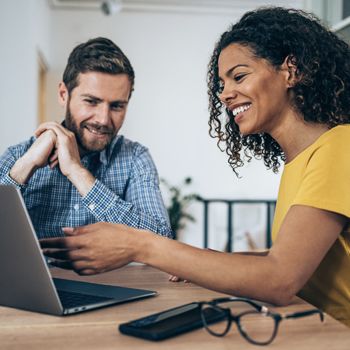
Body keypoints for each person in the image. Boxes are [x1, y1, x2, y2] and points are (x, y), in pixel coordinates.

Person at [40, 8, 350, 326]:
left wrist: (139, 245)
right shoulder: (303, 159)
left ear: (291, 70)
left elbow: (280, 279)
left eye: (239, 76)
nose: (226, 94)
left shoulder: (340, 148)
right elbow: (292, 262)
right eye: (221, 83)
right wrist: (193, 263)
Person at [0, 37, 172, 238]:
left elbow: (161, 239)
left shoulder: (135, 158)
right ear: (64, 94)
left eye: (117, 106)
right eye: (91, 101)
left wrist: (77, 171)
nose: (103, 119)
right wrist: (24, 168)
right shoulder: (19, 155)